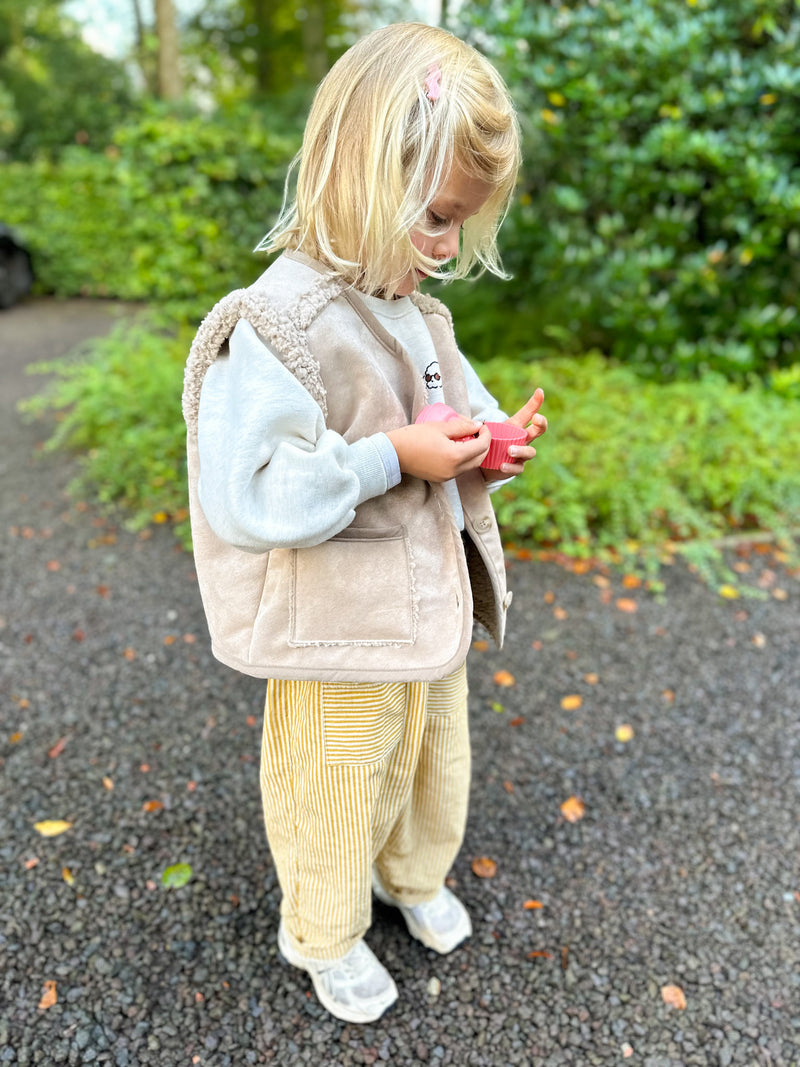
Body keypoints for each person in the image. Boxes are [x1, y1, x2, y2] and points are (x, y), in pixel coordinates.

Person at [182, 21, 547, 1024]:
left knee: (433, 752)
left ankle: (412, 869)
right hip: (338, 624)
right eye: (433, 217)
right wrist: (393, 454)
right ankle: (323, 929)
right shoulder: (279, 323)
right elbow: (251, 492)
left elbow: (453, 424)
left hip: (418, 604)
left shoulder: (416, 311)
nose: (442, 248)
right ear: (355, 173)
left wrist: (487, 447)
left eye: (457, 226)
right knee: (334, 776)